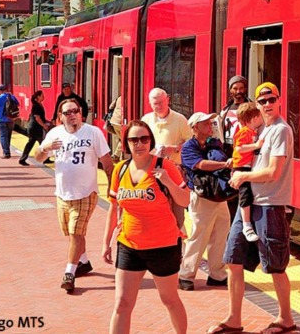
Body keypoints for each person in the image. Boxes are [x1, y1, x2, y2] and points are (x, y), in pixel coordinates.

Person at [209, 82, 296, 334]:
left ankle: (286, 318)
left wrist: (243, 177)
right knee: (233, 261)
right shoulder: (264, 130)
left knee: (276, 266)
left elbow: (273, 172)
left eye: (272, 99)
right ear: (257, 104)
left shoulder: (281, 130)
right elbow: (252, 157)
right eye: (263, 101)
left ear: (279, 101)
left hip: (271, 205)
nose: (267, 104)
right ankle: (234, 319)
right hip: (250, 204)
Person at [102, 120, 190, 334]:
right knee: (122, 304)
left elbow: (185, 200)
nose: (139, 143)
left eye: (144, 139)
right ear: (126, 143)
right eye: (134, 139)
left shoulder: (165, 166)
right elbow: (114, 209)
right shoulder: (120, 170)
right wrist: (106, 242)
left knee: (169, 299)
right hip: (129, 245)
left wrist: (168, 181)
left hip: (163, 245)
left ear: (150, 141)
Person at [35, 98, 114, 293]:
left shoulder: (93, 133)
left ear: (81, 114)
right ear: (60, 117)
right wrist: (45, 148)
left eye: (75, 111)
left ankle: (69, 273)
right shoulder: (55, 134)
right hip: (62, 194)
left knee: (76, 233)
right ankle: (84, 262)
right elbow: (38, 158)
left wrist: (113, 187)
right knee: (71, 234)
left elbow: (107, 160)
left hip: (86, 193)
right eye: (67, 113)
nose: (72, 115)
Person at [178, 112, 232, 291]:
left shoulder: (214, 143)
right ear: (195, 128)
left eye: (210, 122)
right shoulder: (188, 147)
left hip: (218, 194)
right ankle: (186, 275)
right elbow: (200, 165)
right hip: (201, 196)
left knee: (221, 233)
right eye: (205, 123)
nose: (210, 125)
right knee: (199, 235)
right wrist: (224, 165)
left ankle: (217, 274)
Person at [232, 102, 264, 242]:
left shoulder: (251, 131)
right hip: (241, 167)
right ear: (253, 119)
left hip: (246, 166)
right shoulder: (244, 132)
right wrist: (256, 145)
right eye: (259, 116)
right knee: (245, 196)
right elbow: (239, 148)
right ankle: (246, 225)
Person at [141, 88, 192, 165]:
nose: (159, 106)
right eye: (155, 103)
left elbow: (191, 143)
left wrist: (175, 148)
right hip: (150, 166)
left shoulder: (180, 119)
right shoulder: (145, 120)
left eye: (161, 102)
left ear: (168, 100)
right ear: (150, 104)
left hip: (173, 167)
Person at [219, 75, 251, 157]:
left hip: (246, 151)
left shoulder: (252, 108)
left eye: (241, 88)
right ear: (230, 90)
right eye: (235, 88)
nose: (238, 91)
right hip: (228, 151)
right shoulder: (225, 110)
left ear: (245, 89)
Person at [19, 91, 51, 166]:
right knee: (41, 143)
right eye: (42, 95)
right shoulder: (36, 106)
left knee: (35, 143)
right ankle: (23, 159)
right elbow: (37, 118)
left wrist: (46, 122)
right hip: (34, 128)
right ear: (38, 97)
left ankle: (45, 158)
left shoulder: (39, 105)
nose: (44, 97)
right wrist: (44, 125)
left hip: (36, 128)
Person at [0, 84, 19, 159]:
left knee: (3, 137)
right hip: (11, 119)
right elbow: (18, 105)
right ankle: (7, 150)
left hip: (2, 119)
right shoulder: (11, 96)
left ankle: (6, 153)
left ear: (0, 91)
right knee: (8, 136)